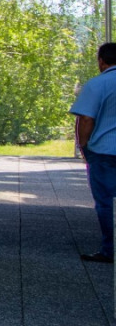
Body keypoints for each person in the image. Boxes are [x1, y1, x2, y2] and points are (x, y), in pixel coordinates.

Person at [70, 41, 116, 265]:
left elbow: (86, 118)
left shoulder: (97, 84)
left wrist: (84, 145)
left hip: (104, 150)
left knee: (106, 202)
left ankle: (109, 249)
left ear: (101, 61)